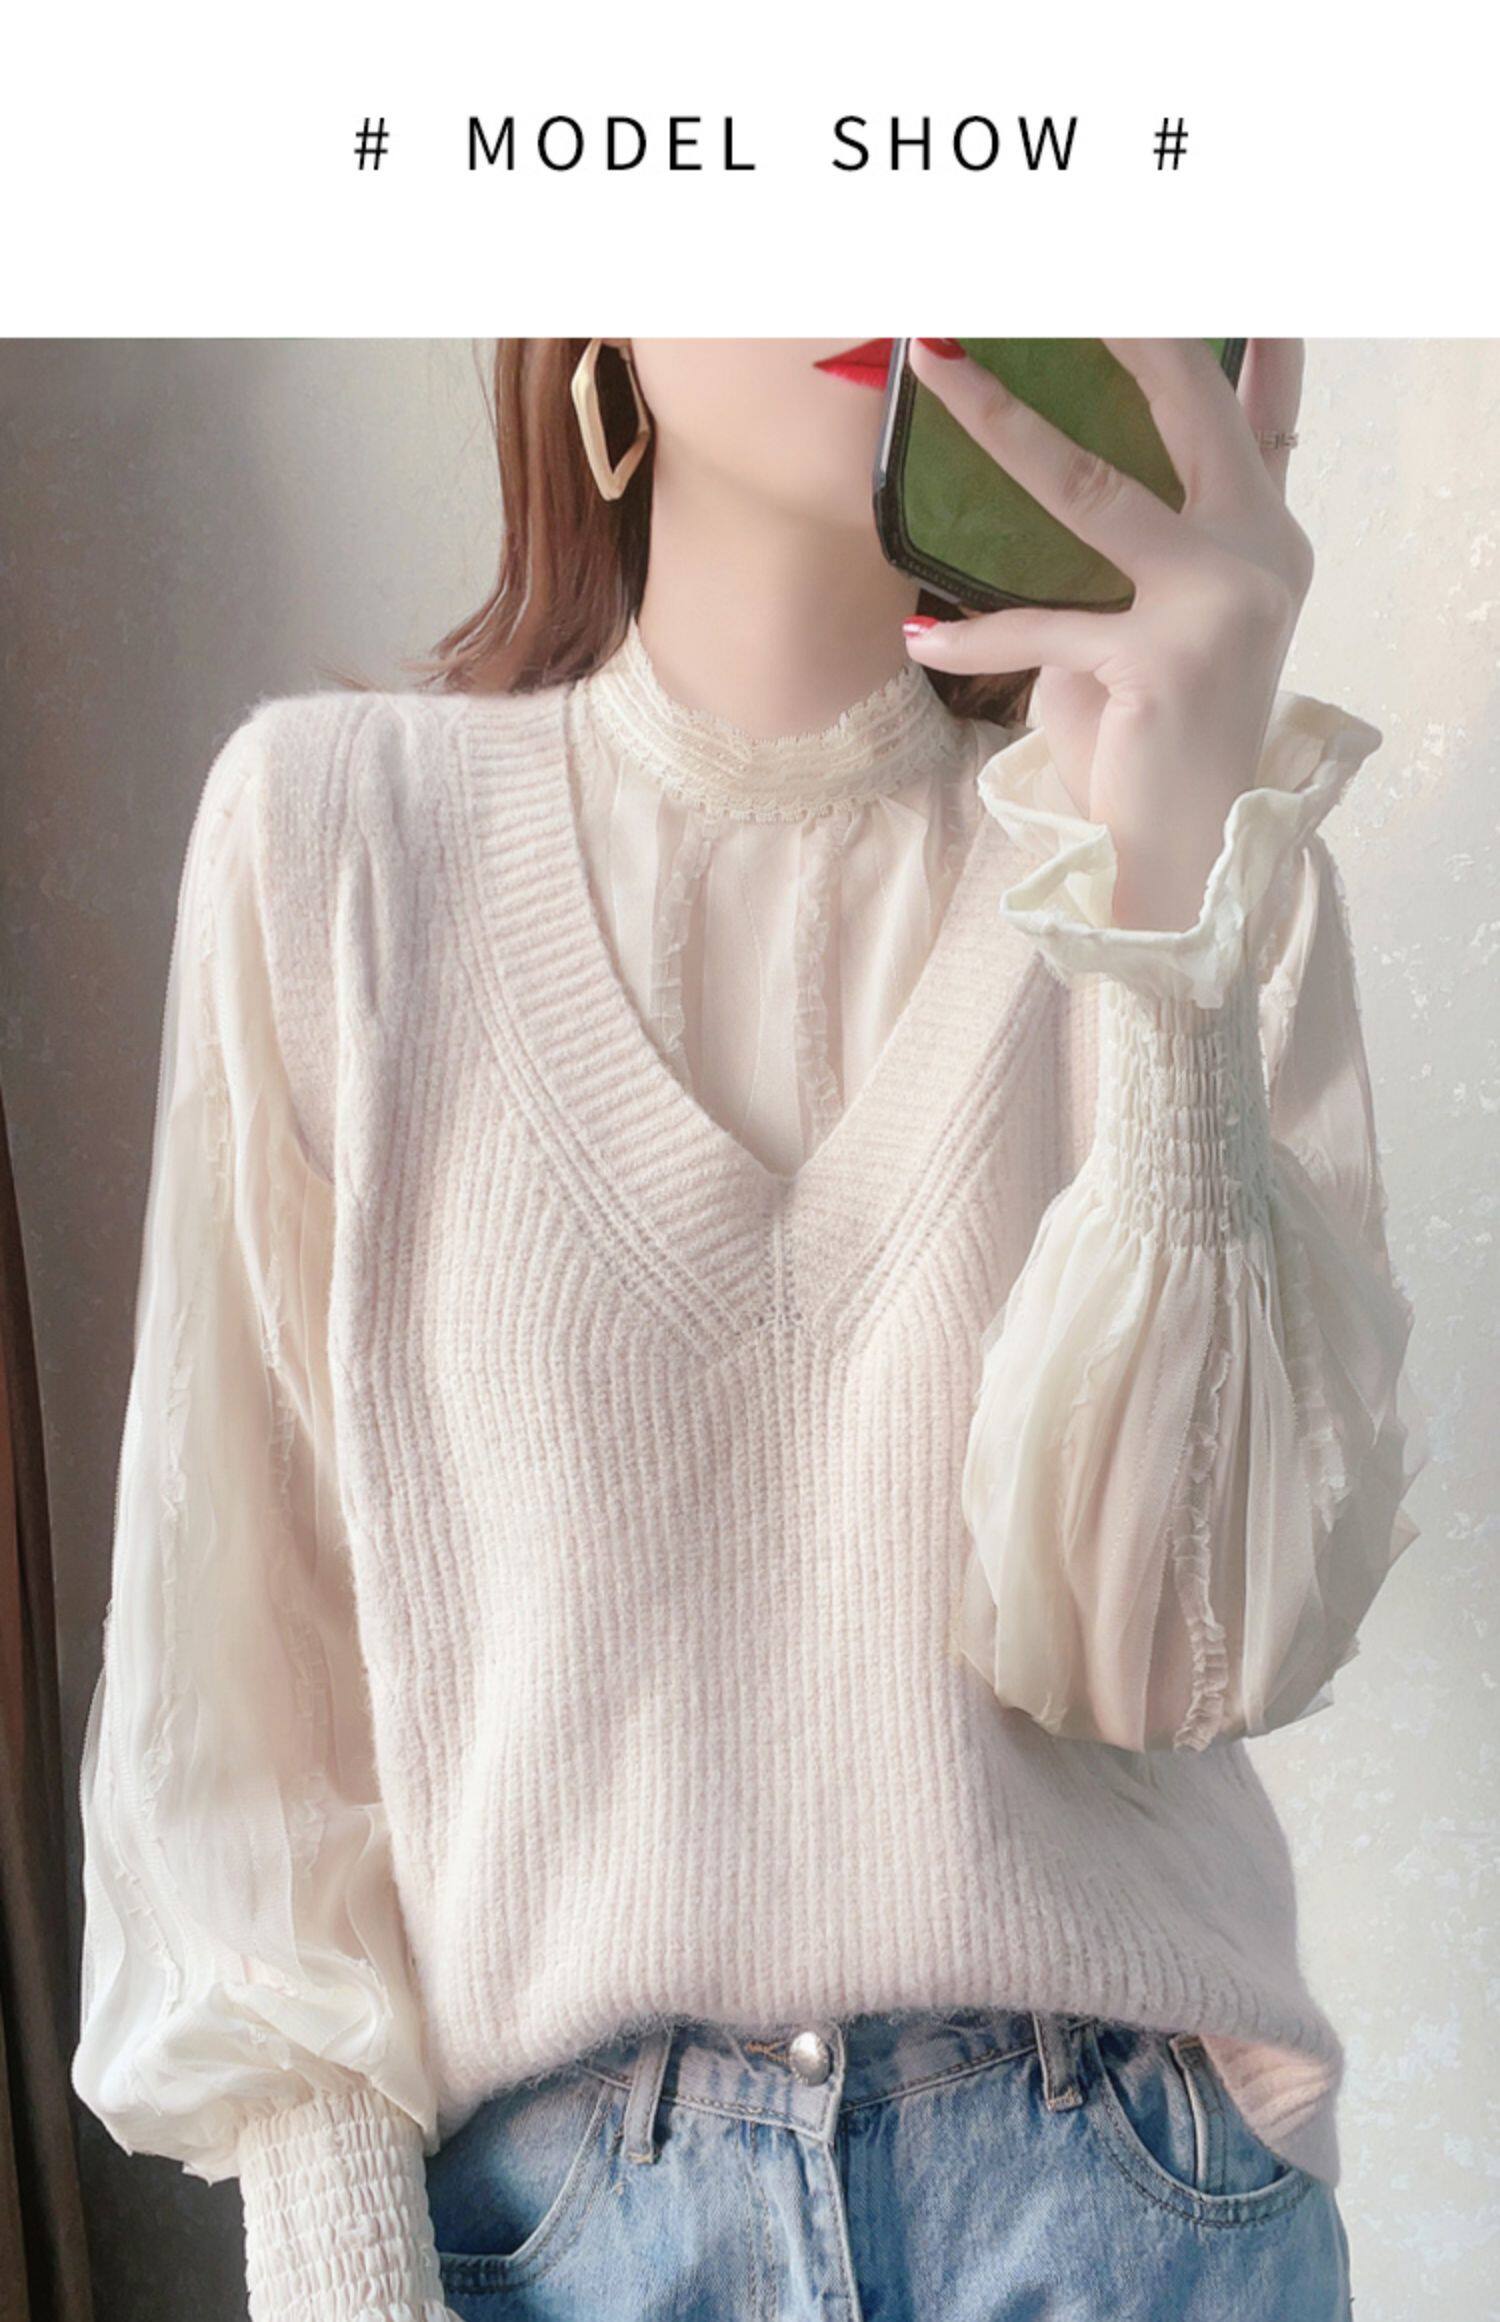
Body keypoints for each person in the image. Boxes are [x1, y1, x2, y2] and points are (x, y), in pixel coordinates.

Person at [71, 337, 1426, 2322]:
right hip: (550, 2243)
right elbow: (244, 1716)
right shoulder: (335, 838)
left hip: (1125, 2207)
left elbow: (1187, 1655)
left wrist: (1166, 898)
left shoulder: (1185, 849)